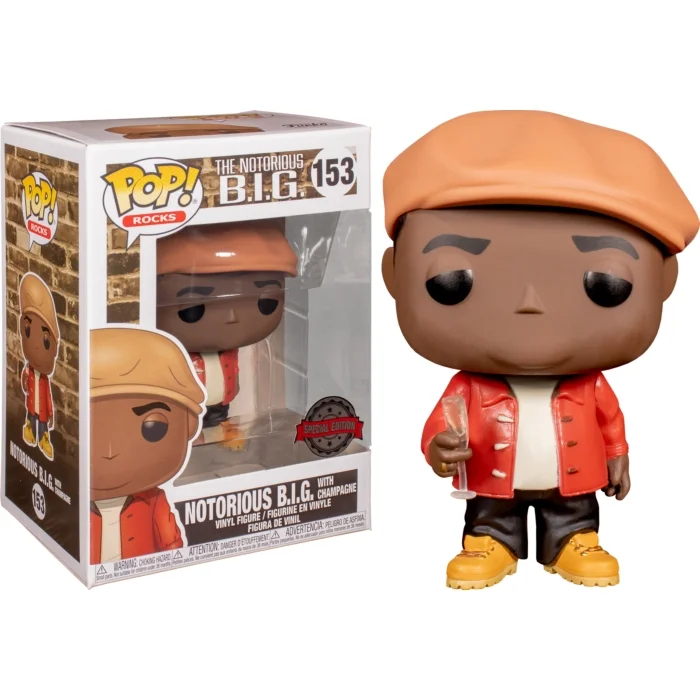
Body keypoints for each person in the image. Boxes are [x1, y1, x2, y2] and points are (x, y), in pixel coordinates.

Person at [382, 110, 698, 589]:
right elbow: (442, 423)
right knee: (491, 516)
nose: (530, 303)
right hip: (491, 484)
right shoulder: (468, 387)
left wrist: (618, 455)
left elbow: (610, 421)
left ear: (665, 283)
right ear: (394, 276)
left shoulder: (591, 384)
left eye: (605, 284)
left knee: (573, 512)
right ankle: (491, 539)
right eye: (452, 281)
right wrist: (439, 449)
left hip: (574, 481)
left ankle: (573, 537)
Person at [156, 219, 298, 429]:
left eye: (266, 303)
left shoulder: (233, 351)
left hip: (221, 402)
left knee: (218, 425)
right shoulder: (171, 356)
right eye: (194, 308)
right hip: (182, 404)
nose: (232, 317)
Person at [90, 327, 205, 564]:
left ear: (189, 424)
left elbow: (172, 545)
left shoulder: (154, 502)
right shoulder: (72, 504)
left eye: (153, 427)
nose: (110, 453)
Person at [19, 273, 60, 460]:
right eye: (28, 330)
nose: (36, 345)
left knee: (41, 423)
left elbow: (48, 397)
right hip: (31, 405)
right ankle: (29, 429)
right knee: (31, 416)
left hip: (42, 409)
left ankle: (43, 438)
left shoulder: (43, 380)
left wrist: (50, 413)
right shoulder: (30, 371)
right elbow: (25, 381)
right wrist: (24, 377)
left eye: (44, 340)